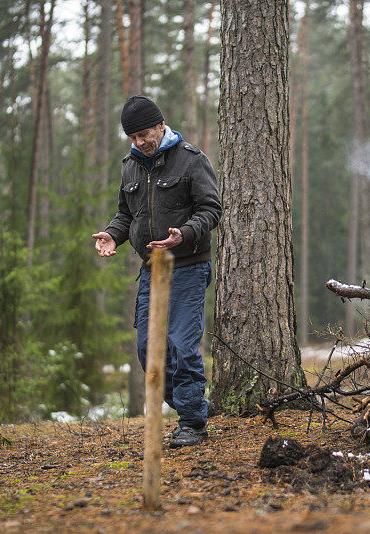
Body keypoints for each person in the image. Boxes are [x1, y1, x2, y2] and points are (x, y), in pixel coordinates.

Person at [93, 95, 221, 448]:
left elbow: (211, 209)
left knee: (182, 345)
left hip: (189, 267)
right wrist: (112, 235)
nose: (140, 143)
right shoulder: (130, 167)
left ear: (161, 126)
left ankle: (193, 423)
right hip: (152, 270)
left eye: (145, 134)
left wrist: (186, 232)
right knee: (148, 351)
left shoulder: (191, 160)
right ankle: (194, 405)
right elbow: (125, 214)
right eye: (133, 137)